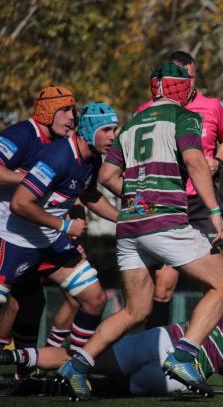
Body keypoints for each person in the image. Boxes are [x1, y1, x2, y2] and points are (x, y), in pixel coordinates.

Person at [57, 63, 223, 401]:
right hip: (165, 220)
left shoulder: (131, 124)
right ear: (182, 88)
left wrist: (137, 197)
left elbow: (108, 176)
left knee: (135, 310)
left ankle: (77, 364)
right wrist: (214, 212)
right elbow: (197, 163)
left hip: (129, 225)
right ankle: (183, 357)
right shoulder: (183, 117)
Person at [0, 94, 118, 375]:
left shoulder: (91, 160)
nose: (113, 137)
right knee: (7, 304)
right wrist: (64, 227)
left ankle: (74, 366)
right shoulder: (58, 156)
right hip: (16, 240)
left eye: (115, 130)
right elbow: (19, 204)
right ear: (89, 131)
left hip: (49, 242)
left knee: (95, 298)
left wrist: (123, 219)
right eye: (107, 130)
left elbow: (89, 195)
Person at [136, 51, 223, 330]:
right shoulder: (146, 111)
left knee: (217, 283)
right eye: (177, 77)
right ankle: (154, 350)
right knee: (164, 287)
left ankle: (215, 353)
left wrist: (217, 160)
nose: (185, 82)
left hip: (202, 204)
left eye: (190, 77)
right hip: (168, 203)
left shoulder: (212, 107)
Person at [2, 299, 223, 397]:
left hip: (165, 338)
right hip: (184, 371)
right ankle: (41, 387)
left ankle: (11, 356)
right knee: (109, 389)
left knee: (81, 357)